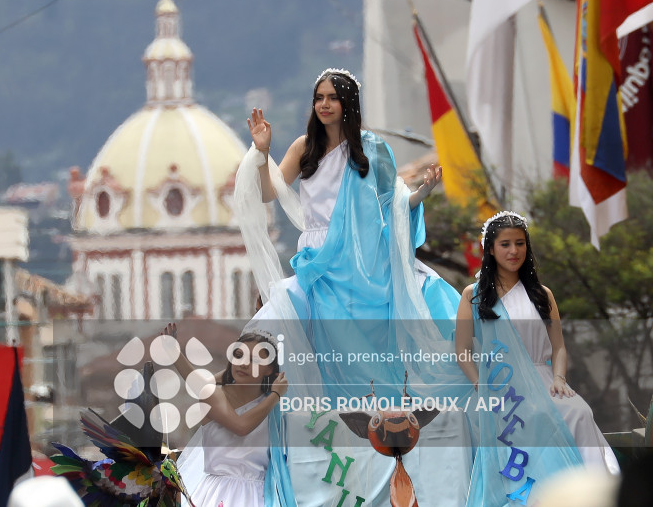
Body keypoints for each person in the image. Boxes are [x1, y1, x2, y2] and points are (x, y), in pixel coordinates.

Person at [235, 68, 472, 506]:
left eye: (333, 97)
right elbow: (270, 192)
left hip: (366, 259)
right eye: (318, 97)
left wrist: (422, 193)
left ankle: (397, 431)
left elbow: (394, 203)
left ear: (348, 103)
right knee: (285, 322)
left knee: (426, 303)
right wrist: (260, 151)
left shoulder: (373, 149)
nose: (324, 104)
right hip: (321, 264)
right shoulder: (303, 148)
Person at [455, 211, 620, 506]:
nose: (514, 251)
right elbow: (462, 350)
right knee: (537, 417)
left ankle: (596, 494)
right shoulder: (473, 295)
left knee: (579, 412)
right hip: (502, 388)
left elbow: (558, 348)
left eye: (520, 243)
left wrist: (559, 378)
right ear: (490, 249)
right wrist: (481, 385)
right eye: (505, 244)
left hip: (543, 379)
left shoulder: (543, 295)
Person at [163, 323, 287, 507]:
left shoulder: (271, 407)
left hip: (263, 496)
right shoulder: (215, 395)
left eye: (254, 360)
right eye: (238, 356)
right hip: (219, 494)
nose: (244, 363)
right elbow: (241, 427)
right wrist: (276, 395)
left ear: (270, 370)